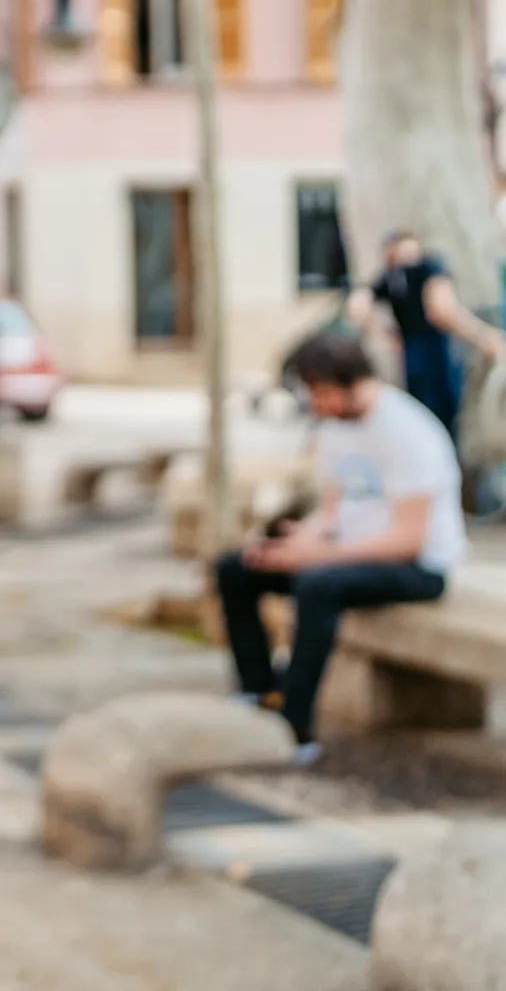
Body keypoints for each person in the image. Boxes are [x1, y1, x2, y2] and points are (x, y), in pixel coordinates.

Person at [216, 332, 465, 764]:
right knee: (237, 567)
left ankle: (296, 726)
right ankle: (259, 691)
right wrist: (295, 540)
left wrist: (315, 555)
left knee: (317, 585)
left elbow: (409, 540)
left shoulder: (407, 432)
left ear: (348, 382)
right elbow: (335, 513)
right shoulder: (336, 428)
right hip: (348, 554)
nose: (315, 404)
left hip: (419, 568)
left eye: (319, 392)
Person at [345, 228, 506, 437]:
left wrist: (385, 333)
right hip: (435, 351)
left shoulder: (391, 275)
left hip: (412, 353)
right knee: (444, 417)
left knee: (422, 416)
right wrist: (485, 336)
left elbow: (358, 306)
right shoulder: (429, 266)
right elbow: (441, 310)